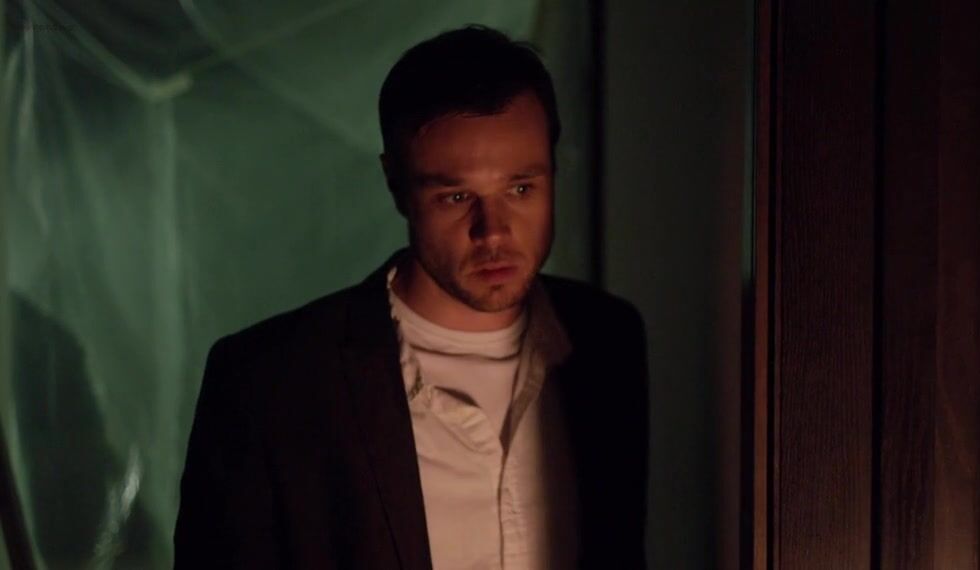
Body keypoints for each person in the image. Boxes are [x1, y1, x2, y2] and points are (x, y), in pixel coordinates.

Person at [174, 25, 649, 569]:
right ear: (395, 183)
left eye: (521, 188)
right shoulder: (271, 382)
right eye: (456, 196)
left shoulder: (607, 341)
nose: (493, 231)